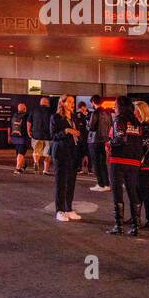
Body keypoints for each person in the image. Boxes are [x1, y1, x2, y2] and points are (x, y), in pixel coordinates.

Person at [106, 96, 144, 236]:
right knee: (132, 192)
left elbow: (120, 138)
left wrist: (110, 143)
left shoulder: (119, 119)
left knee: (117, 192)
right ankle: (136, 226)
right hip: (134, 161)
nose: (114, 108)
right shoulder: (137, 122)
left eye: (115, 105)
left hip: (119, 159)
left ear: (120, 107)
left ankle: (119, 225)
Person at [50, 94, 81, 222]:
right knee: (61, 183)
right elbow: (53, 135)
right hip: (60, 153)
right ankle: (60, 210)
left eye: (73, 101)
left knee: (71, 182)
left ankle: (69, 208)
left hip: (73, 153)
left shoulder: (74, 117)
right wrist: (67, 131)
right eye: (69, 102)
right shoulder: (55, 117)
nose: (72, 104)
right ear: (62, 103)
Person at [133, 101, 149, 230]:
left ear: (141, 112)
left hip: (145, 162)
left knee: (144, 189)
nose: (134, 112)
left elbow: (144, 144)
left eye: (136, 110)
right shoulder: (138, 125)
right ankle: (135, 216)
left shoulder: (146, 127)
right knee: (136, 190)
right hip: (137, 161)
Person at [87, 97, 111, 191]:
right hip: (104, 140)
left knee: (96, 163)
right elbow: (111, 125)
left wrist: (87, 124)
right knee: (103, 163)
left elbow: (91, 127)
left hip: (95, 140)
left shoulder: (95, 113)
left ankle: (100, 184)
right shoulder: (108, 113)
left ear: (93, 102)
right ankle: (106, 184)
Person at [29, 96, 52, 175]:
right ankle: (45, 170)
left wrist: (28, 131)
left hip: (36, 135)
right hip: (48, 135)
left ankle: (36, 162)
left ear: (40, 103)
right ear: (47, 103)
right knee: (48, 153)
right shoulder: (51, 111)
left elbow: (29, 122)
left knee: (36, 151)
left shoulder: (34, 110)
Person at [9, 102, 31, 173]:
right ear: (25, 109)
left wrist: (9, 136)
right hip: (23, 137)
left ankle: (23, 165)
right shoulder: (27, 116)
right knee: (21, 153)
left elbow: (10, 126)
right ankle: (17, 168)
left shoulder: (14, 116)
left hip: (15, 136)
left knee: (19, 152)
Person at [74, 101, 91, 174]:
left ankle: (90, 168)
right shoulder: (77, 115)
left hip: (88, 137)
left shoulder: (89, 114)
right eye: (82, 108)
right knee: (79, 153)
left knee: (88, 153)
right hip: (81, 136)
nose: (84, 109)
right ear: (80, 108)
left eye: (85, 108)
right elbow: (78, 125)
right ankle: (79, 168)